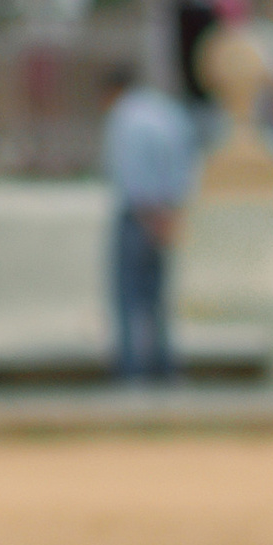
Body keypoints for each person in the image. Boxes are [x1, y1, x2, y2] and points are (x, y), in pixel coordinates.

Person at [99, 68, 198, 383]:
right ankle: (164, 367)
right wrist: (170, 216)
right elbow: (186, 165)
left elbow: (130, 175)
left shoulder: (125, 118)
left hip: (138, 216)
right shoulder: (168, 113)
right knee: (157, 299)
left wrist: (147, 216)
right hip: (168, 214)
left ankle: (133, 372)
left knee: (128, 298)